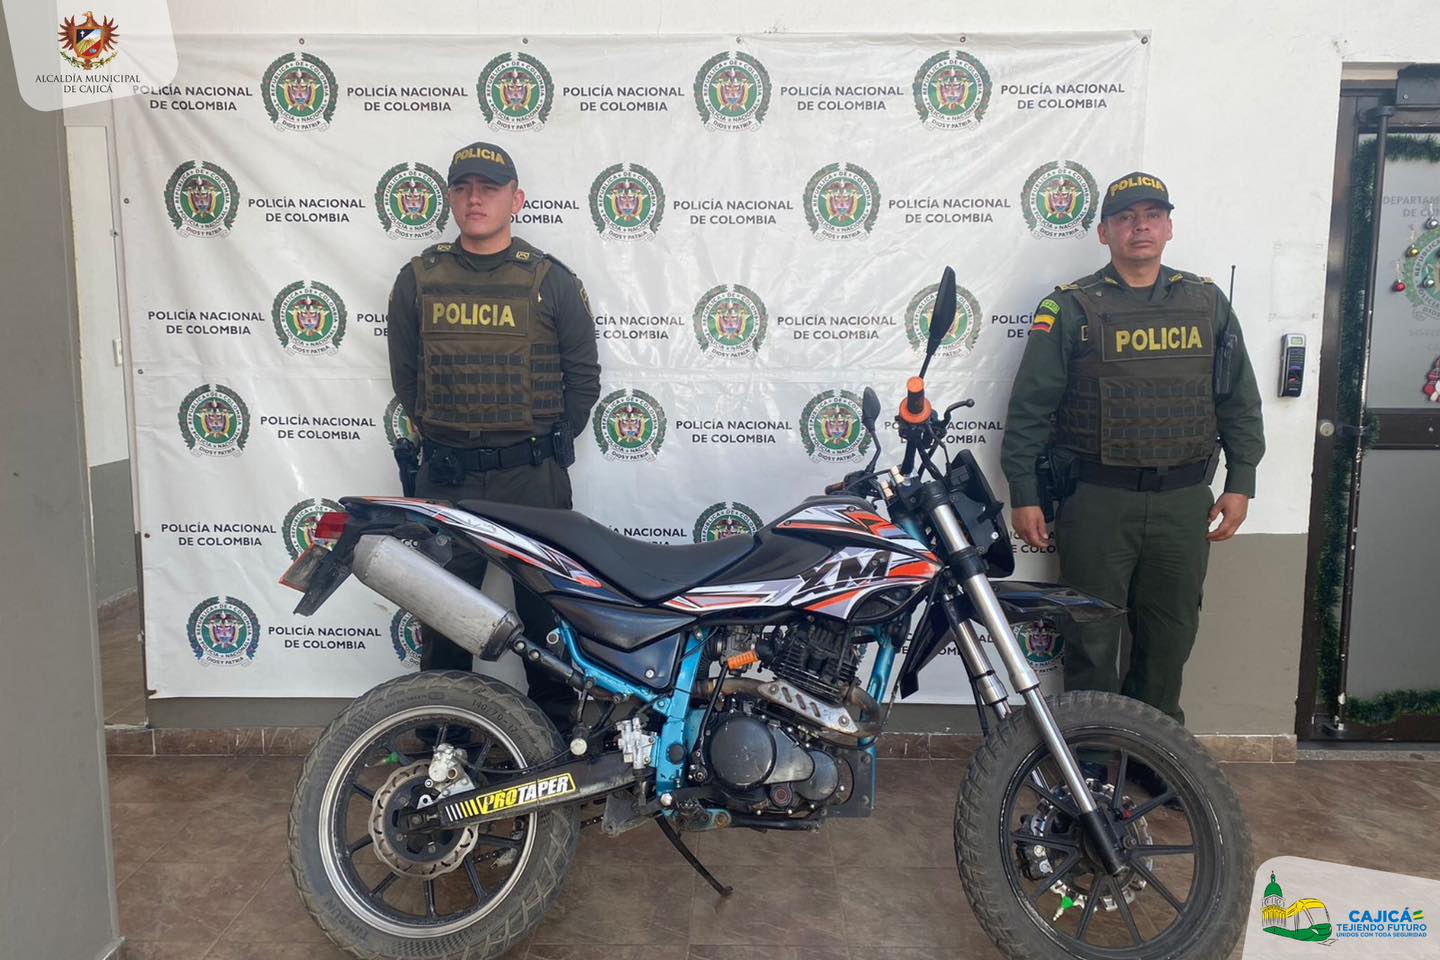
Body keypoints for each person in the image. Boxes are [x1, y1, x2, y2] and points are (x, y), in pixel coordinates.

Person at [1001, 171, 1265, 733]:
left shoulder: (1207, 302)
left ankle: (1155, 759)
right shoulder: (1070, 308)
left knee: (1168, 641)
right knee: (1091, 642)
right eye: (1125, 218)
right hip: (1098, 501)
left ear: (1169, 227)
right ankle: (1092, 764)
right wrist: (1024, 493)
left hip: (1184, 502)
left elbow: (1238, 400)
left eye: (1152, 215)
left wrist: (1241, 480)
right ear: (1104, 233)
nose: (1139, 227)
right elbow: (1030, 410)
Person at [387, 141, 601, 727]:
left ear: (516, 200)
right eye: (462, 187)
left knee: (546, 616)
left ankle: (557, 739)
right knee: (444, 616)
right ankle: (445, 740)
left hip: (531, 477)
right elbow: (408, 380)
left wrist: (539, 449)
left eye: (489, 188)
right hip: (448, 476)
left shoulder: (551, 281)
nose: (474, 199)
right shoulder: (418, 279)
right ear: (450, 198)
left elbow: (582, 380)